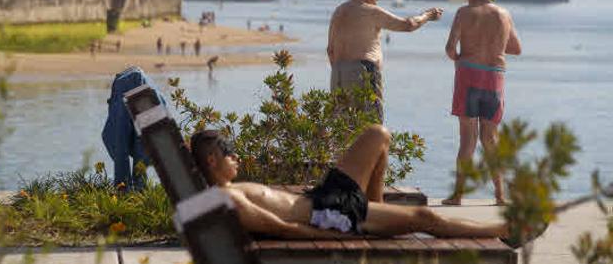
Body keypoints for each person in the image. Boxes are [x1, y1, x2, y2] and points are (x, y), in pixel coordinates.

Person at [189, 126, 516, 242]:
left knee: (378, 135)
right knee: (424, 219)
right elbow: (280, 228)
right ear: (212, 161)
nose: (236, 157)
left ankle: (376, 211)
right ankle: (505, 230)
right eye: (228, 152)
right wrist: (326, 235)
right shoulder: (226, 198)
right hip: (329, 213)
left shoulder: (227, 191)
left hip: (324, 197)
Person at [442, 0, 522, 206]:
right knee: (491, 139)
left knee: (467, 139)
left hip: (468, 76)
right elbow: (516, 49)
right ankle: (500, 196)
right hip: (495, 78)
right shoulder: (504, 15)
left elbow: (449, 48)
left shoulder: (464, 13)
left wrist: (458, 58)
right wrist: (493, 45)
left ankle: (457, 195)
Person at [327, 0, 443, 123]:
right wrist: (428, 15)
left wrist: (341, 71)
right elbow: (408, 25)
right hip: (364, 71)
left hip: (338, 73)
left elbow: (330, 50)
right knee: (372, 126)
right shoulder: (370, 11)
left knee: (343, 127)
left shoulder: (339, 11)